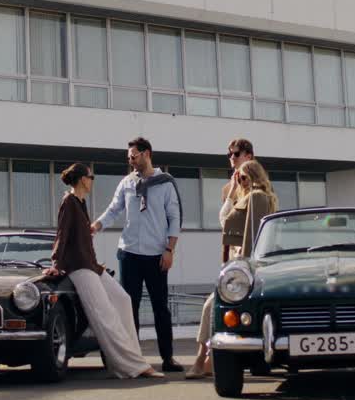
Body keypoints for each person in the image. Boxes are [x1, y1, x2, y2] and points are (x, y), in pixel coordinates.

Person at [44, 163, 162, 379]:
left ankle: (132, 360)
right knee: (105, 314)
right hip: (78, 267)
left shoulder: (81, 202)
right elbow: (62, 235)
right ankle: (133, 366)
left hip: (91, 264)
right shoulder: (69, 202)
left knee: (123, 300)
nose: (92, 181)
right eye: (91, 177)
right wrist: (56, 263)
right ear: (82, 179)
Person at [91, 138, 184, 372]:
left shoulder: (165, 183)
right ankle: (133, 359)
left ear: (147, 154)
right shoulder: (127, 183)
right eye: (129, 157)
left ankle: (168, 358)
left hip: (156, 254)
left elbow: (174, 218)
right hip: (129, 253)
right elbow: (114, 210)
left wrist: (170, 250)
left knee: (160, 307)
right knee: (128, 307)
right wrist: (96, 226)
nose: (131, 161)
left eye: (133, 156)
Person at [188, 154, 280, 379]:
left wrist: (244, 268)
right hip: (236, 262)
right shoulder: (246, 197)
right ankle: (207, 359)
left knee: (211, 306)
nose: (240, 181)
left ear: (255, 177)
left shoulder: (257, 197)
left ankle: (202, 360)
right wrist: (232, 191)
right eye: (239, 178)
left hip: (244, 264)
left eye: (244, 178)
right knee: (213, 307)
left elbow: (252, 236)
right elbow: (225, 219)